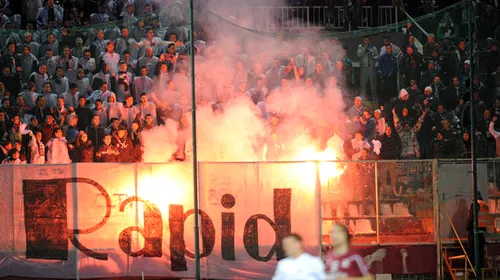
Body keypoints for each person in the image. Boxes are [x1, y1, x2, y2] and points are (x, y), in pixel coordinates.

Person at [466, 192, 491, 270]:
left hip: (474, 233)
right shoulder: (485, 205)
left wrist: (467, 227)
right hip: (482, 233)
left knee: (473, 254)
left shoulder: (475, 204)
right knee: (480, 254)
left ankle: (473, 273)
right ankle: (480, 271)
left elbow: (472, 218)